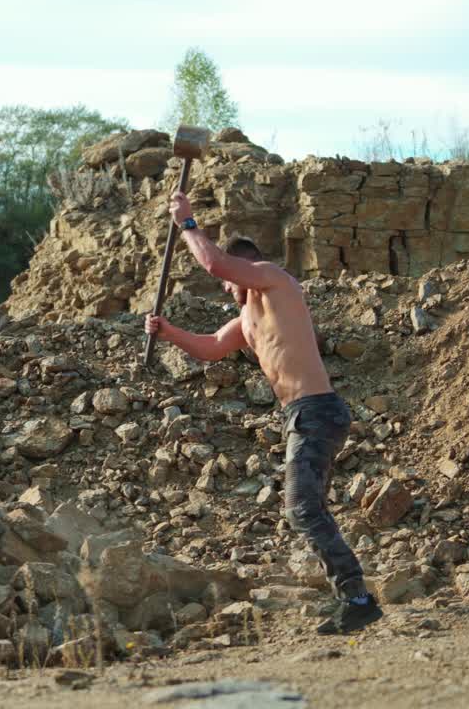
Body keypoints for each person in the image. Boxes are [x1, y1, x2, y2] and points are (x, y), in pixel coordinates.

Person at [145, 191, 383, 634]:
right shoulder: (248, 320)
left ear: (246, 267)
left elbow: (215, 263)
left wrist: (187, 223)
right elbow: (211, 348)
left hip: (317, 411)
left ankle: (358, 597)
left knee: (302, 509)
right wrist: (168, 332)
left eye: (231, 278)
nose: (224, 286)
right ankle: (353, 596)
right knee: (307, 508)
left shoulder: (274, 281)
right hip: (302, 416)